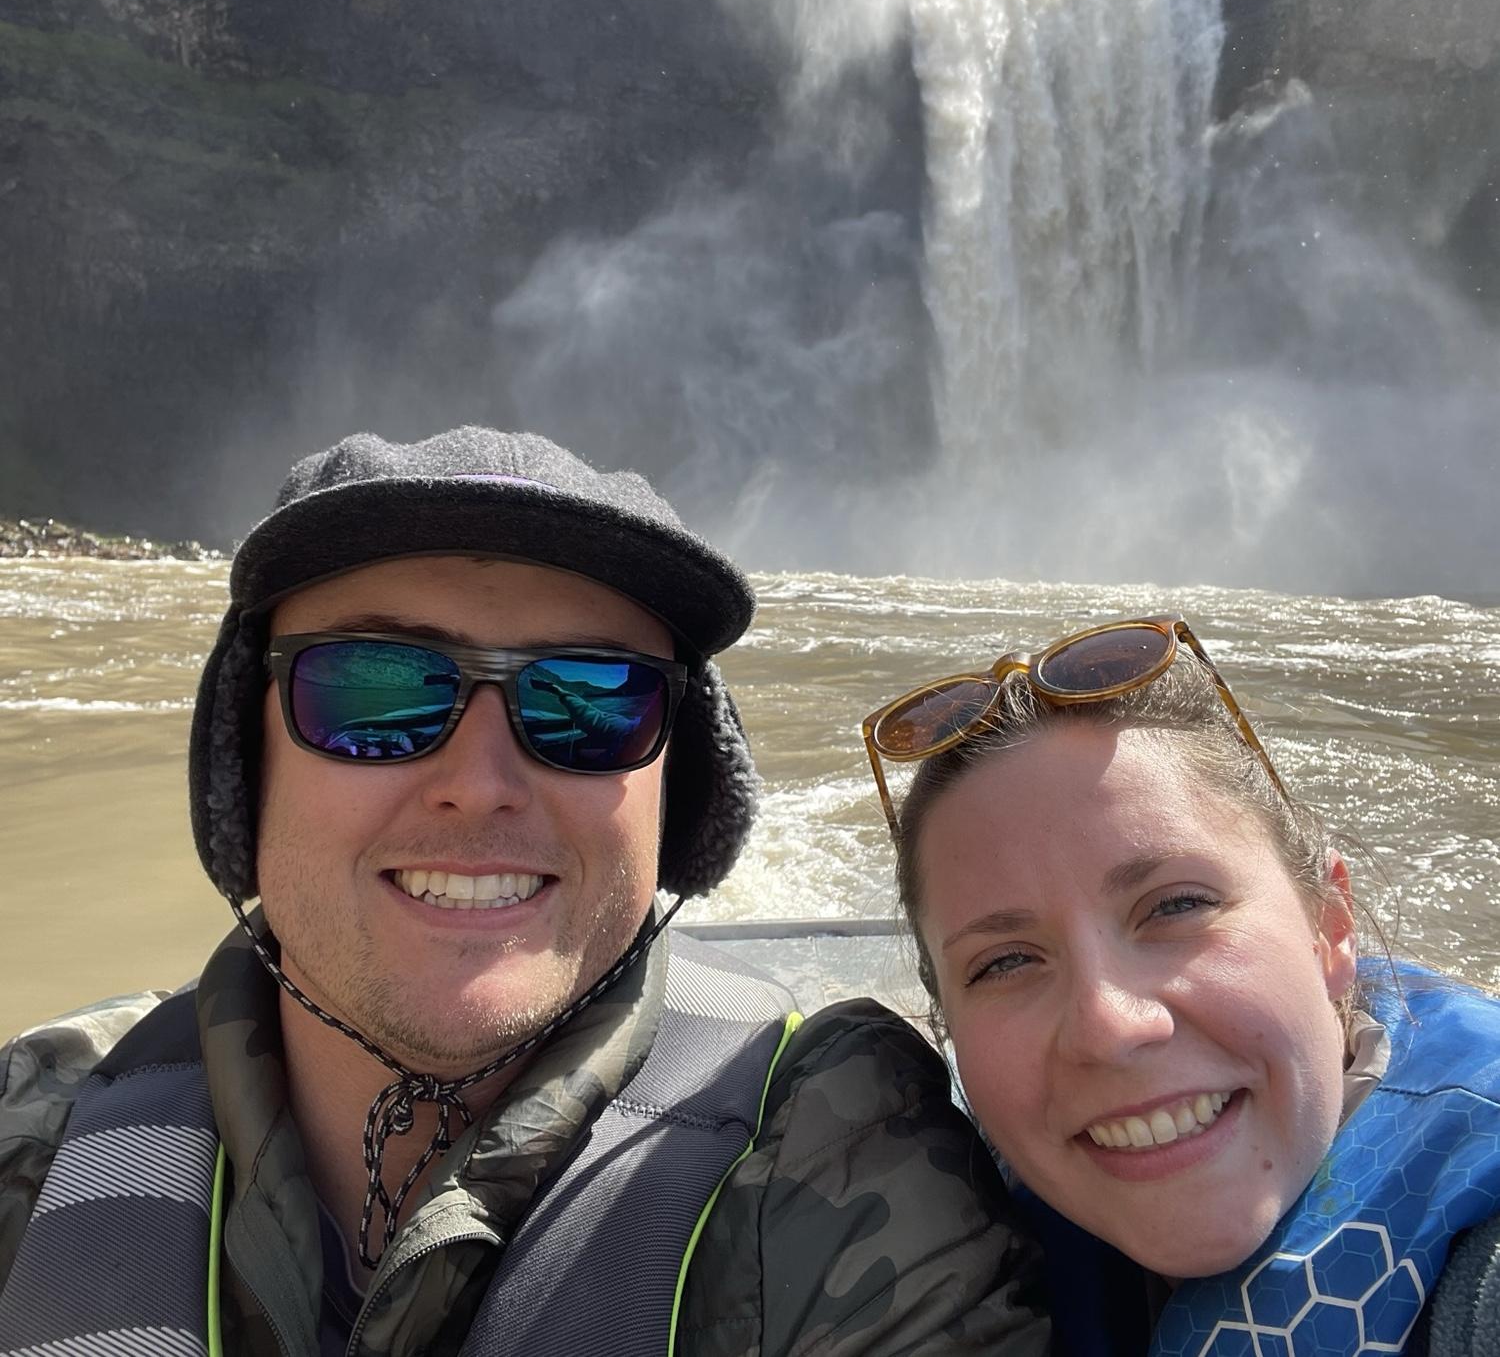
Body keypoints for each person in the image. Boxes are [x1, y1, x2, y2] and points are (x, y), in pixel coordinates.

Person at [0, 427, 1051, 1357]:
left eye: (588, 702)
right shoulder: (36, 1130)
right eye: (378, 689)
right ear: (242, 761)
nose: (481, 785)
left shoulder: (835, 1156)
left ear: (680, 796)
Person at [863, 616, 1500, 1356]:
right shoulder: (951, 1267)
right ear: (948, 1026)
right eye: (1004, 962)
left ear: (1329, 928)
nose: (1109, 1025)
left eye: (1175, 905)